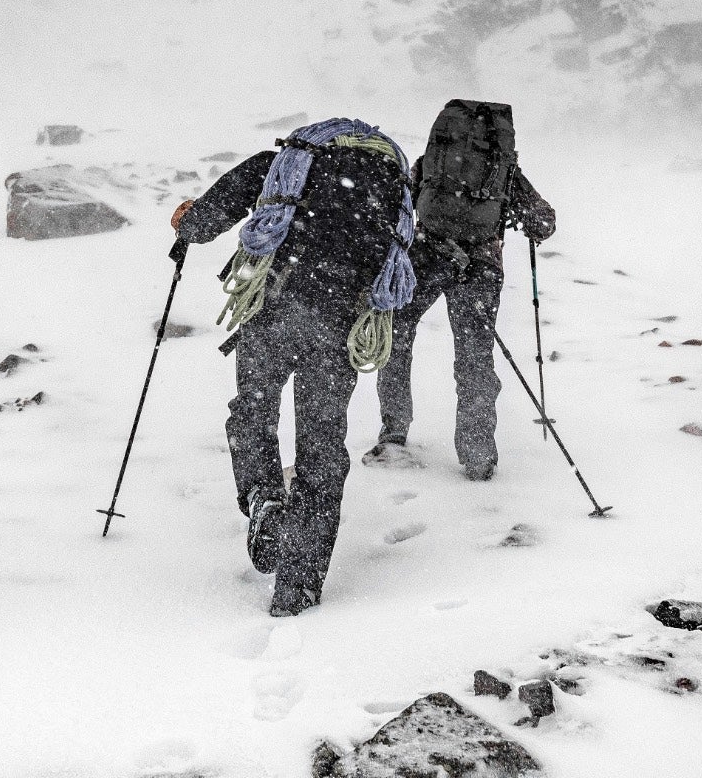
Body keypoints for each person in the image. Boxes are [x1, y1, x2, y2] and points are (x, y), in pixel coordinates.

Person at [169, 117, 415, 617]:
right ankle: (298, 583)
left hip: (275, 305)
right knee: (322, 442)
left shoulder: (285, 166)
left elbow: (207, 218)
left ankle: (264, 497)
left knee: (253, 412)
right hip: (341, 322)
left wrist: (186, 224)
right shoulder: (391, 189)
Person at [370, 100, 555, 481]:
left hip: (426, 254)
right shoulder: (504, 170)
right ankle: (477, 457)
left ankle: (393, 431)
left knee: (396, 336)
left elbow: (399, 201)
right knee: (474, 357)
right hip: (481, 264)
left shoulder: (431, 162)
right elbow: (543, 221)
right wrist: (521, 215)